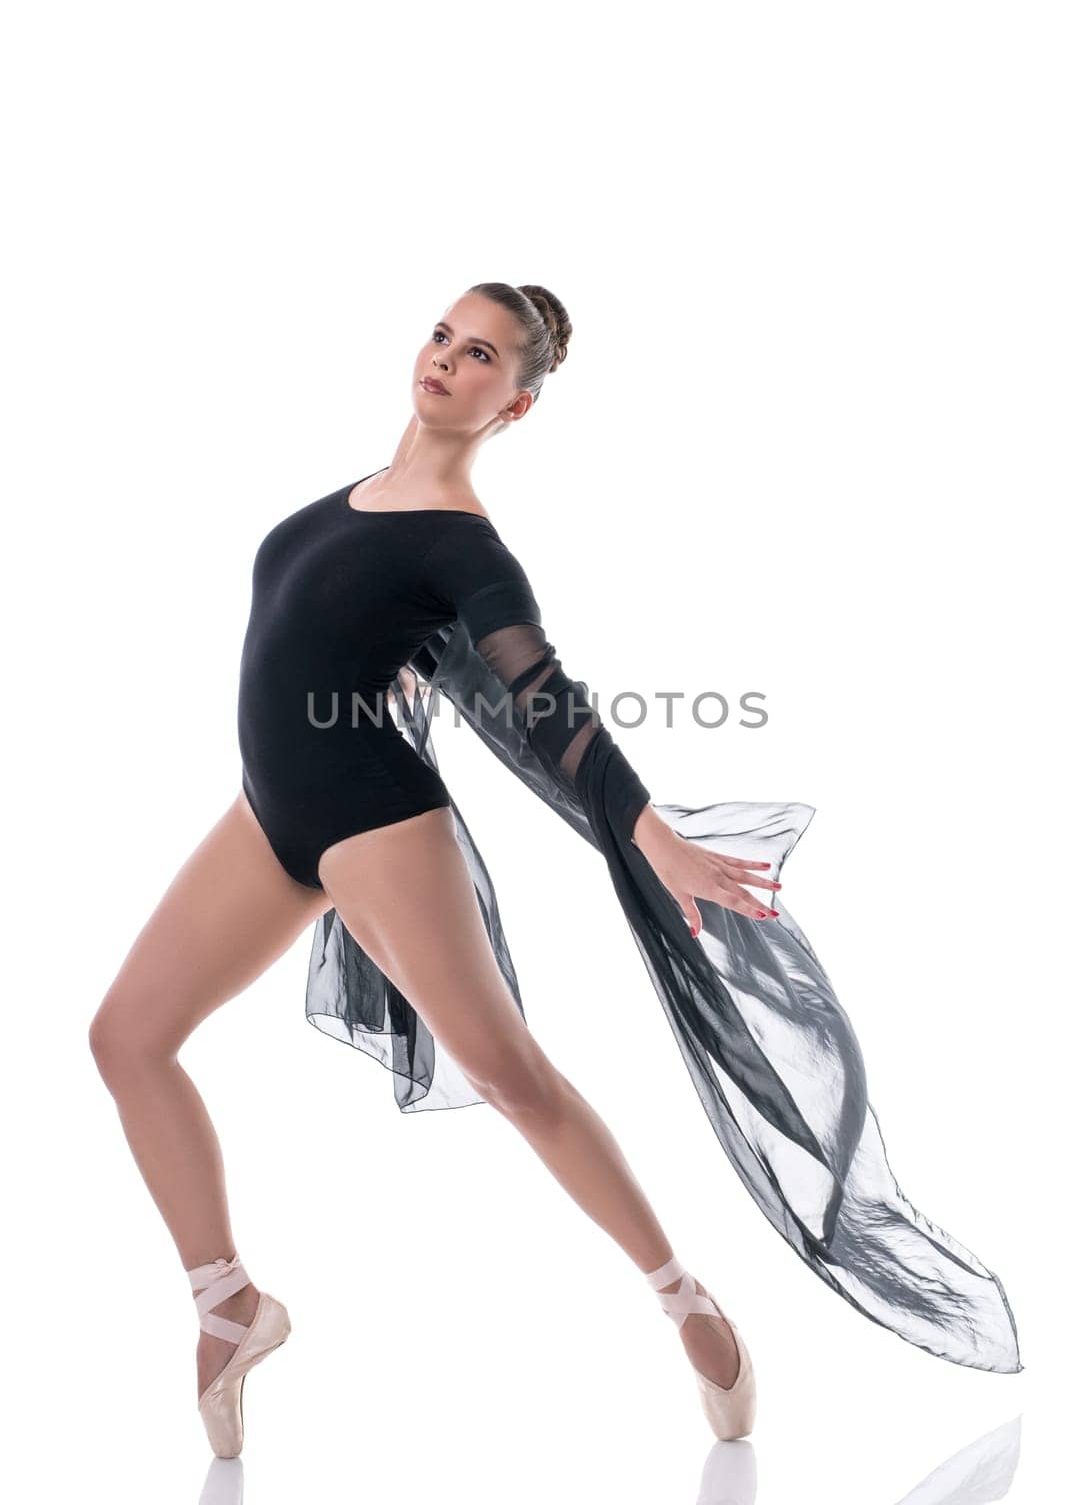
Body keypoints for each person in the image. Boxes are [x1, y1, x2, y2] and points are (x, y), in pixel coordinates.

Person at [89, 282, 1019, 1460]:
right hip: (268, 818)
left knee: (513, 1076)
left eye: (479, 356)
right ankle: (230, 1303)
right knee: (125, 1036)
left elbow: (544, 700)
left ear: (515, 405)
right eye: (441, 334)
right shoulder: (340, 504)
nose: (444, 360)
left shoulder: (460, 543)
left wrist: (650, 834)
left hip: (375, 820)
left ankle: (687, 1301)